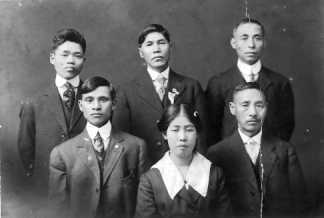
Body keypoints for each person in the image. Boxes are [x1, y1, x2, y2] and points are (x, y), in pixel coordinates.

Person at [48, 76, 147, 218]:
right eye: (89, 100)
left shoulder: (136, 147)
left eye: (103, 99)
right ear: (81, 106)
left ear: (114, 104)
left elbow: (144, 205)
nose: (96, 106)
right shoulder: (62, 153)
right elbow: (57, 211)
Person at [207, 83, 306, 218]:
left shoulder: (285, 151)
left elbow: (300, 205)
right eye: (245, 105)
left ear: (266, 108)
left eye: (259, 105)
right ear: (232, 108)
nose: (253, 112)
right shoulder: (216, 154)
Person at [113, 24, 207, 166]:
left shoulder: (190, 86)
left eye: (161, 43)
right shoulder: (127, 91)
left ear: (170, 47)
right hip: (144, 169)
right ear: (141, 52)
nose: (156, 49)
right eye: (149, 44)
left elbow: (203, 135)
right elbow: (122, 139)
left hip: (185, 166)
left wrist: (198, 170)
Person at [17, 28, 87, 200]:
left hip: (87, 189)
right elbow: (26, 149)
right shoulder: (33, 102)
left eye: (77, 55)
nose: (71, 60)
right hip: (46, 189)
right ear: (52, 58)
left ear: (84, 60)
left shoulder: (95, 97)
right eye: (65, 54)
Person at [205, 17, 294, 145]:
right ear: (234, 43)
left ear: (264, 43)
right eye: (244, 38)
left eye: (257, 38)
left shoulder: (280, 83)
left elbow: (286, 127)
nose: (251, 45)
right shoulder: (218, 83)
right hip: (229, 159)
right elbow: (211, 129)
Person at [135, 103, 231, 218]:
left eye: (189, 130)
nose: (182, 137)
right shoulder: (150, 180)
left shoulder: (215, 174)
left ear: (197, 134)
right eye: (175, 130)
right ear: (165, 134)